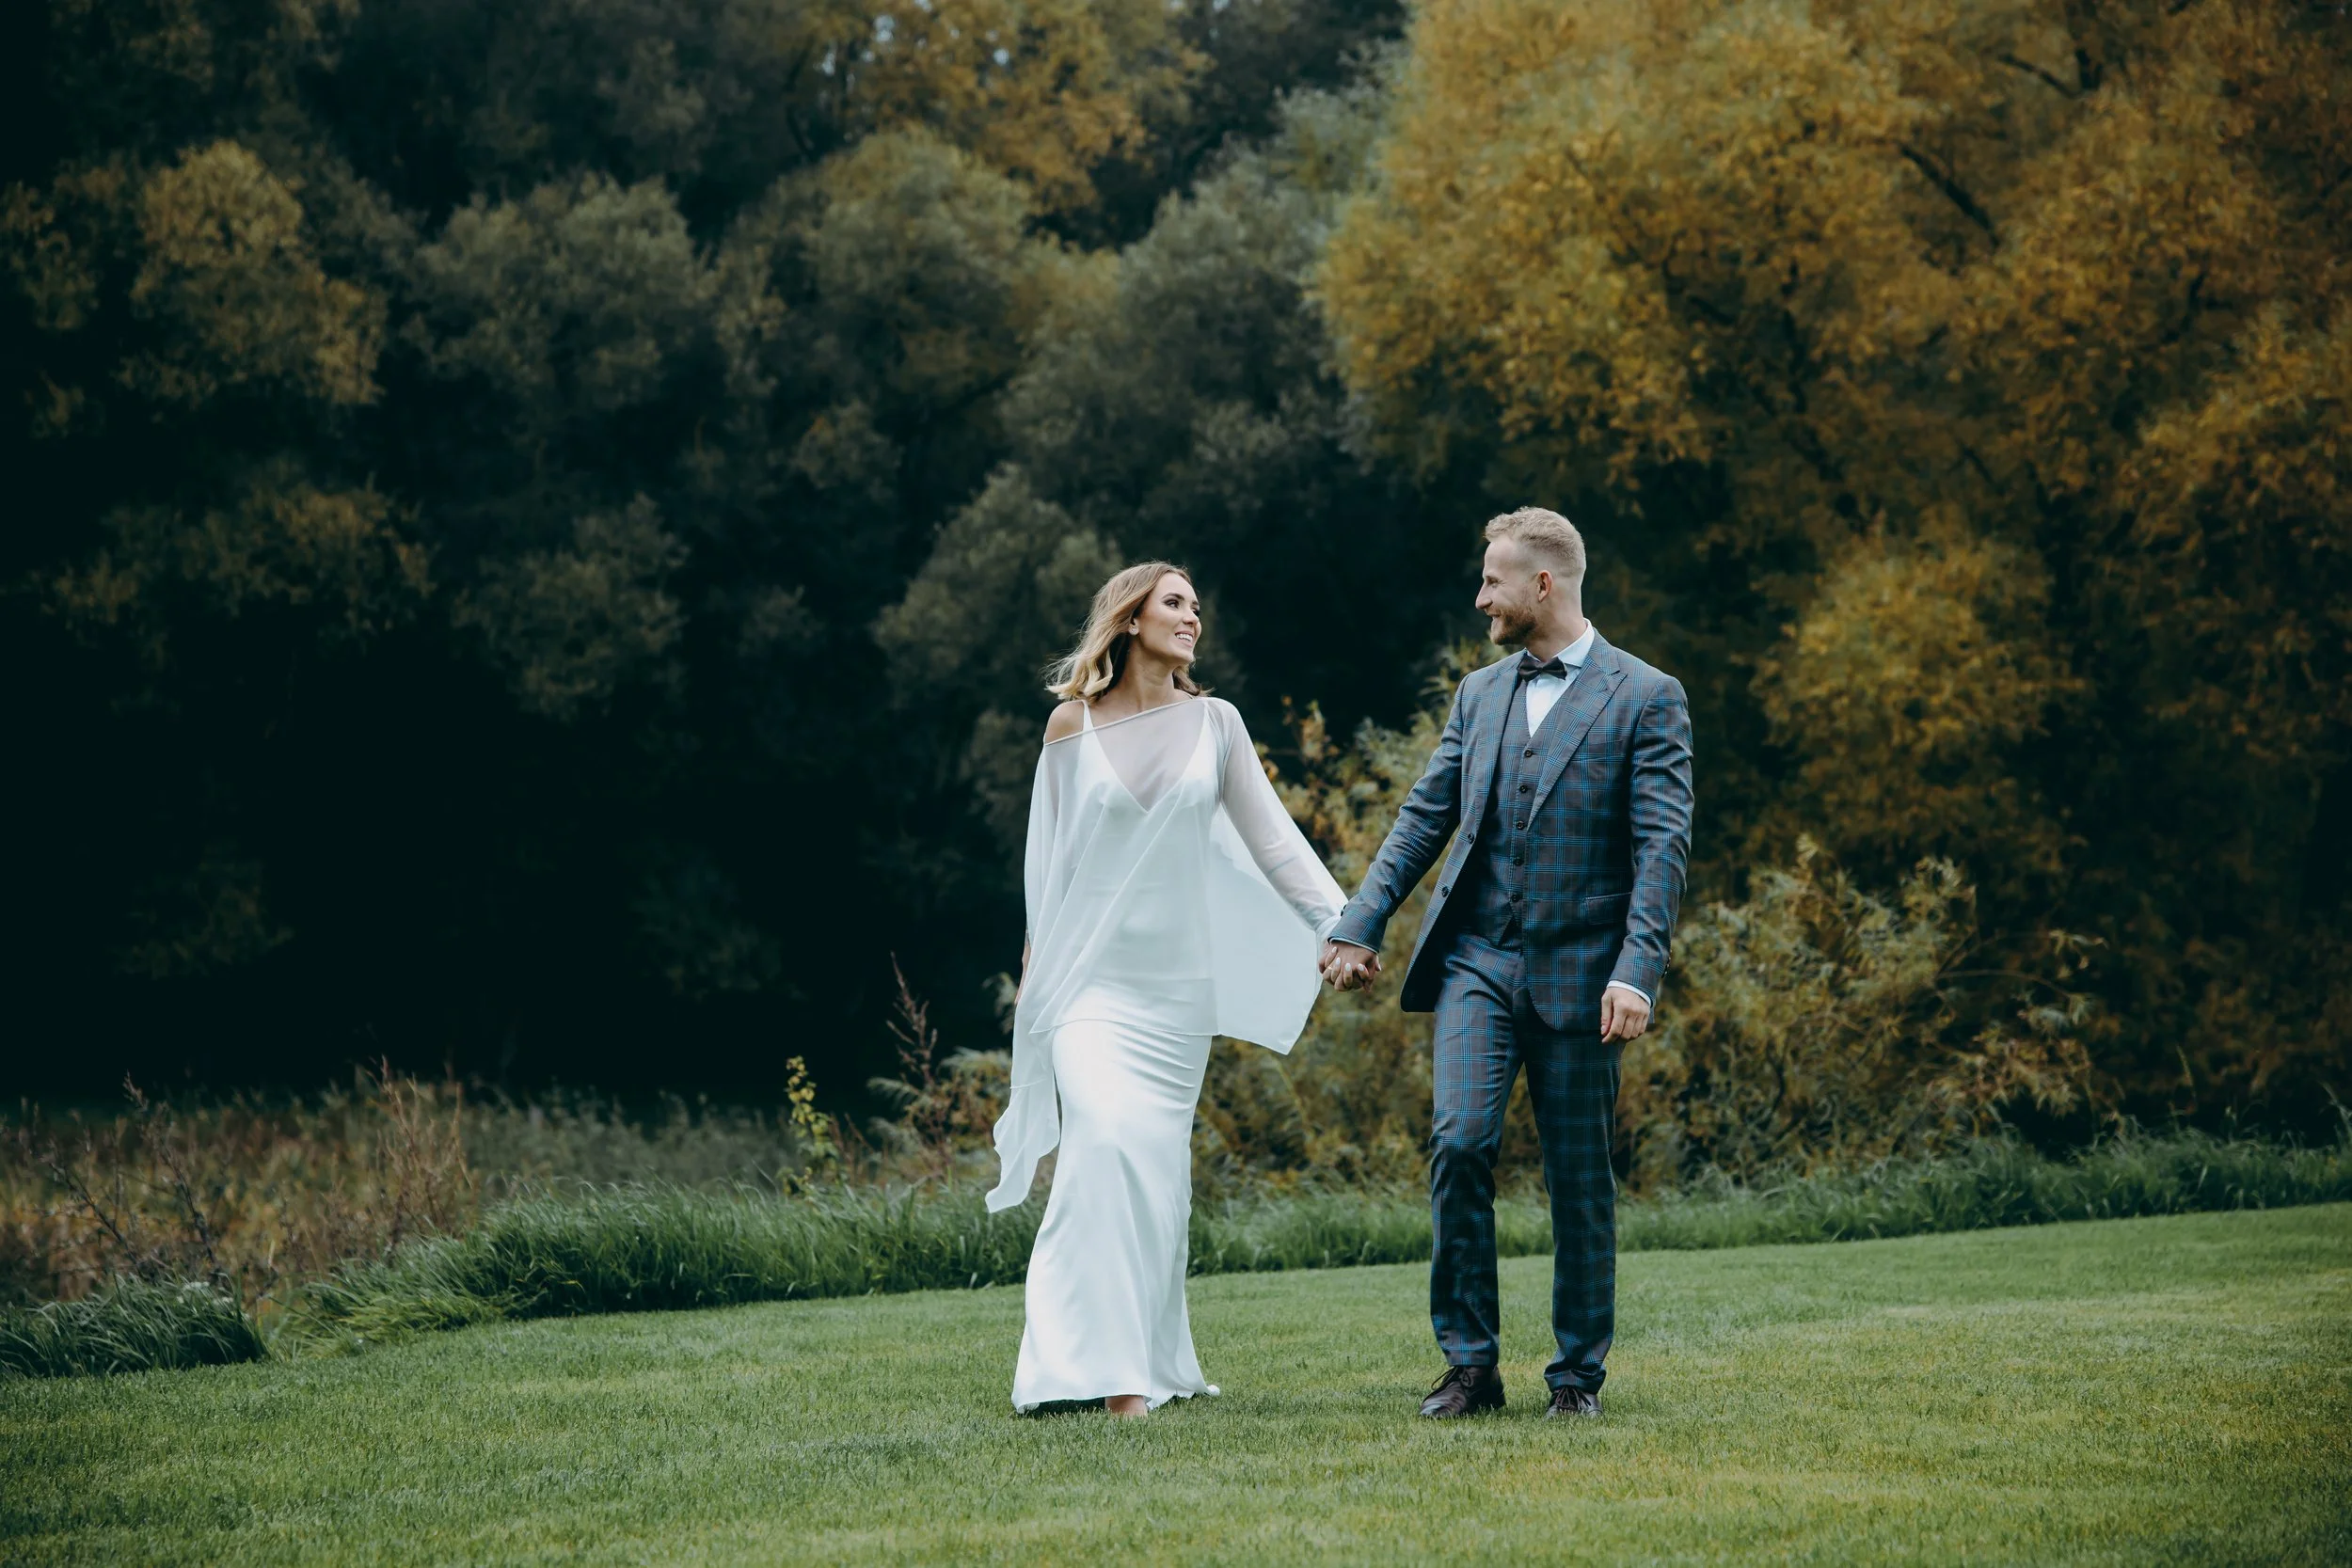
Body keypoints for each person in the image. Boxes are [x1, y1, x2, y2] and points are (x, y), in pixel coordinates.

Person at [1321, 508, 1692, 1419]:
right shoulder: (1478, 694)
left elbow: (1661, 847)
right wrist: (1357, 922)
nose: (1479, 595)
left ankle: (1575, 1377)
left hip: (1584, 972)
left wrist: (1636, 969)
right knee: (1457, 1141)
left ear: (1542, 585)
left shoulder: (1646, 695)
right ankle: (1470, 1364)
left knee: (1578, 1180)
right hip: (1477, 962)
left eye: (1492, 579)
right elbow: (1422, 816)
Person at [989, 562, 1346, 1417]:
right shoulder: (1067, 727)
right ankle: (1107, 1381)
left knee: (1152, 1177)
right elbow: (1051, 868)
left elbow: (1276, 843)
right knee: (1103, 1143)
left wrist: (1343, 926)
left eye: (1196, 606)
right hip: (1088, 988)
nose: (1192, 617)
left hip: (1174, 997)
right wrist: (1035, 985)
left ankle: (1143, 1356)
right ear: (1130, 616)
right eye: (1175, 602)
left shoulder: (1215, 723)